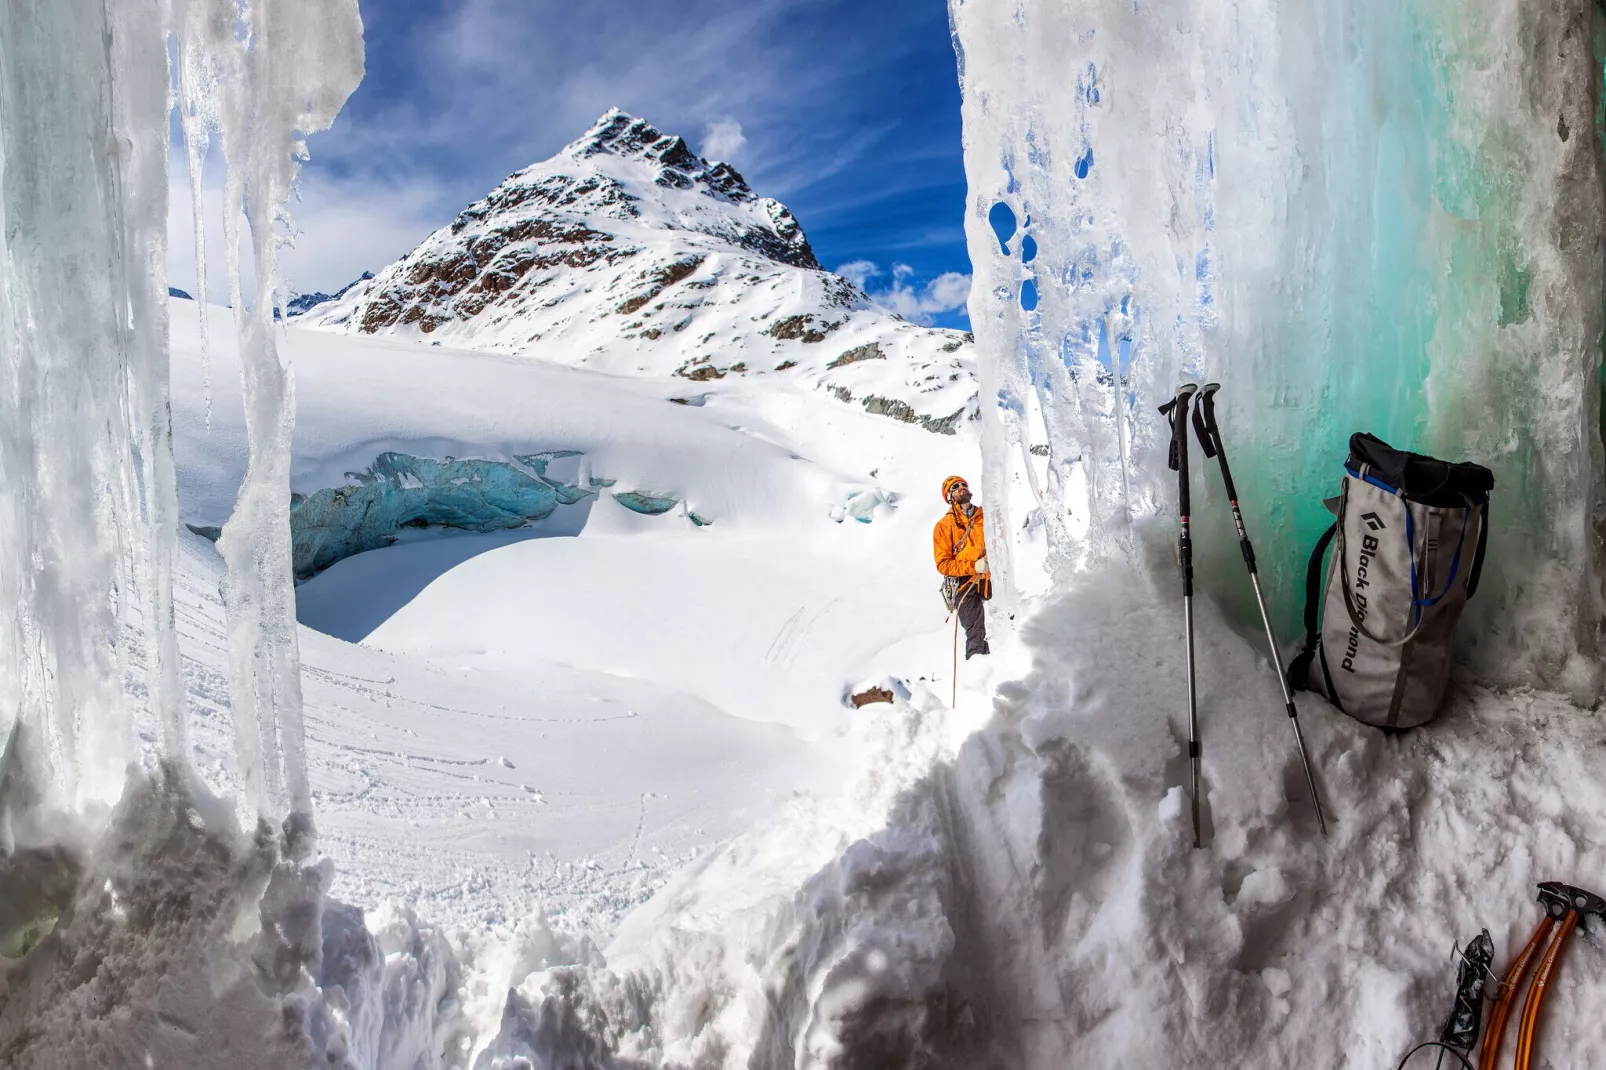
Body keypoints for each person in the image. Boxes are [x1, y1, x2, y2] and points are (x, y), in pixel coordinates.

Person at [934, 474, 989, 659]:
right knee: (976, 633)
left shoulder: (985, 517)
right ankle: (978, 672)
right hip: (964, 584)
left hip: (990, 579)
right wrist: (974, 566)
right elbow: (943, 564)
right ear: (949, 497)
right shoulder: (944, 526)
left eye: (963, 485)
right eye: (955, 487)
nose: (961, 488)